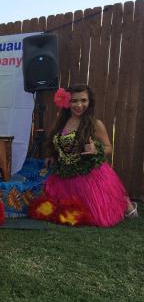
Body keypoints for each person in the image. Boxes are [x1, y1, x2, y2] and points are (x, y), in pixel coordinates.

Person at [44, 84, 138, 227]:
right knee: (58, 212)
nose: (79, 105)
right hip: (64, 176)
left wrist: (96, 149)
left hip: (89, 176)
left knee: (95, 216)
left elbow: (108, 148)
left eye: (83, 100)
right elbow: (58, 142)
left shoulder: (95, 124)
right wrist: (52, 155)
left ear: (90, 102)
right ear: (66, 102)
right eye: (74, 101)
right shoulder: (61, 121)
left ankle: (124, 203)